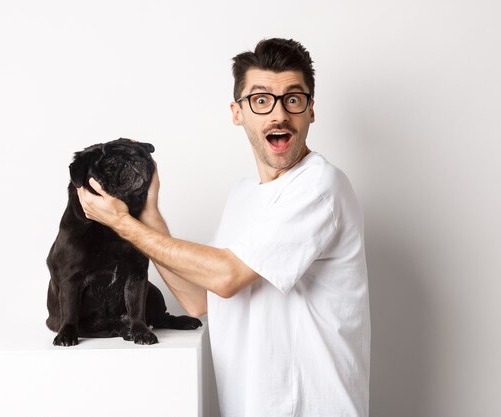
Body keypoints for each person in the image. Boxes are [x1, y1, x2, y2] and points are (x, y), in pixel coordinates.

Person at [77, 38, 370, 417]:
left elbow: (227, 276)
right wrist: (147, 210)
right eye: (261, 100)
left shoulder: (320, 185)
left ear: (310, 111)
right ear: (237, 112)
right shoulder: (243, 195)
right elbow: (200, 297)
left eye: (293, 99)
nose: (278, 115)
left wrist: (121, 224)